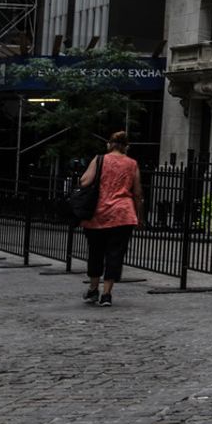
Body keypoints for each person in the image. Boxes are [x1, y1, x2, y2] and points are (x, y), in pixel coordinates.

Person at [80, 131, 143, 308]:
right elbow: (137, 192)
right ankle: (107, 294)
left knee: (96, 252)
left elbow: (85, 182)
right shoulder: (132, 164)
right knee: (115, 253)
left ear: (109, 145)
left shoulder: (99, 160)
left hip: (98, 213)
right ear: (126, 147)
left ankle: (93, 289)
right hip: (123, 214)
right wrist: (139, 215)